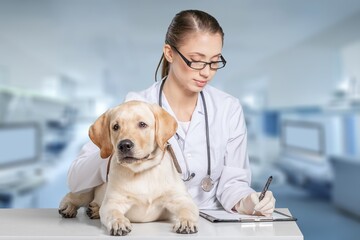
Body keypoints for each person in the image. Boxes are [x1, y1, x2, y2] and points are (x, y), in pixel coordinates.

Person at [67, 9, 275, 216]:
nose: (206, 72)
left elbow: (234, 183)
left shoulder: (228, 108)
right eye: (196, 60)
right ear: (169, 53)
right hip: (156, 224)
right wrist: (116, 147)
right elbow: (76, 178)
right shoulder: (137, 106)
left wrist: (248, 201)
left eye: (214, 61)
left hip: (212, 223)